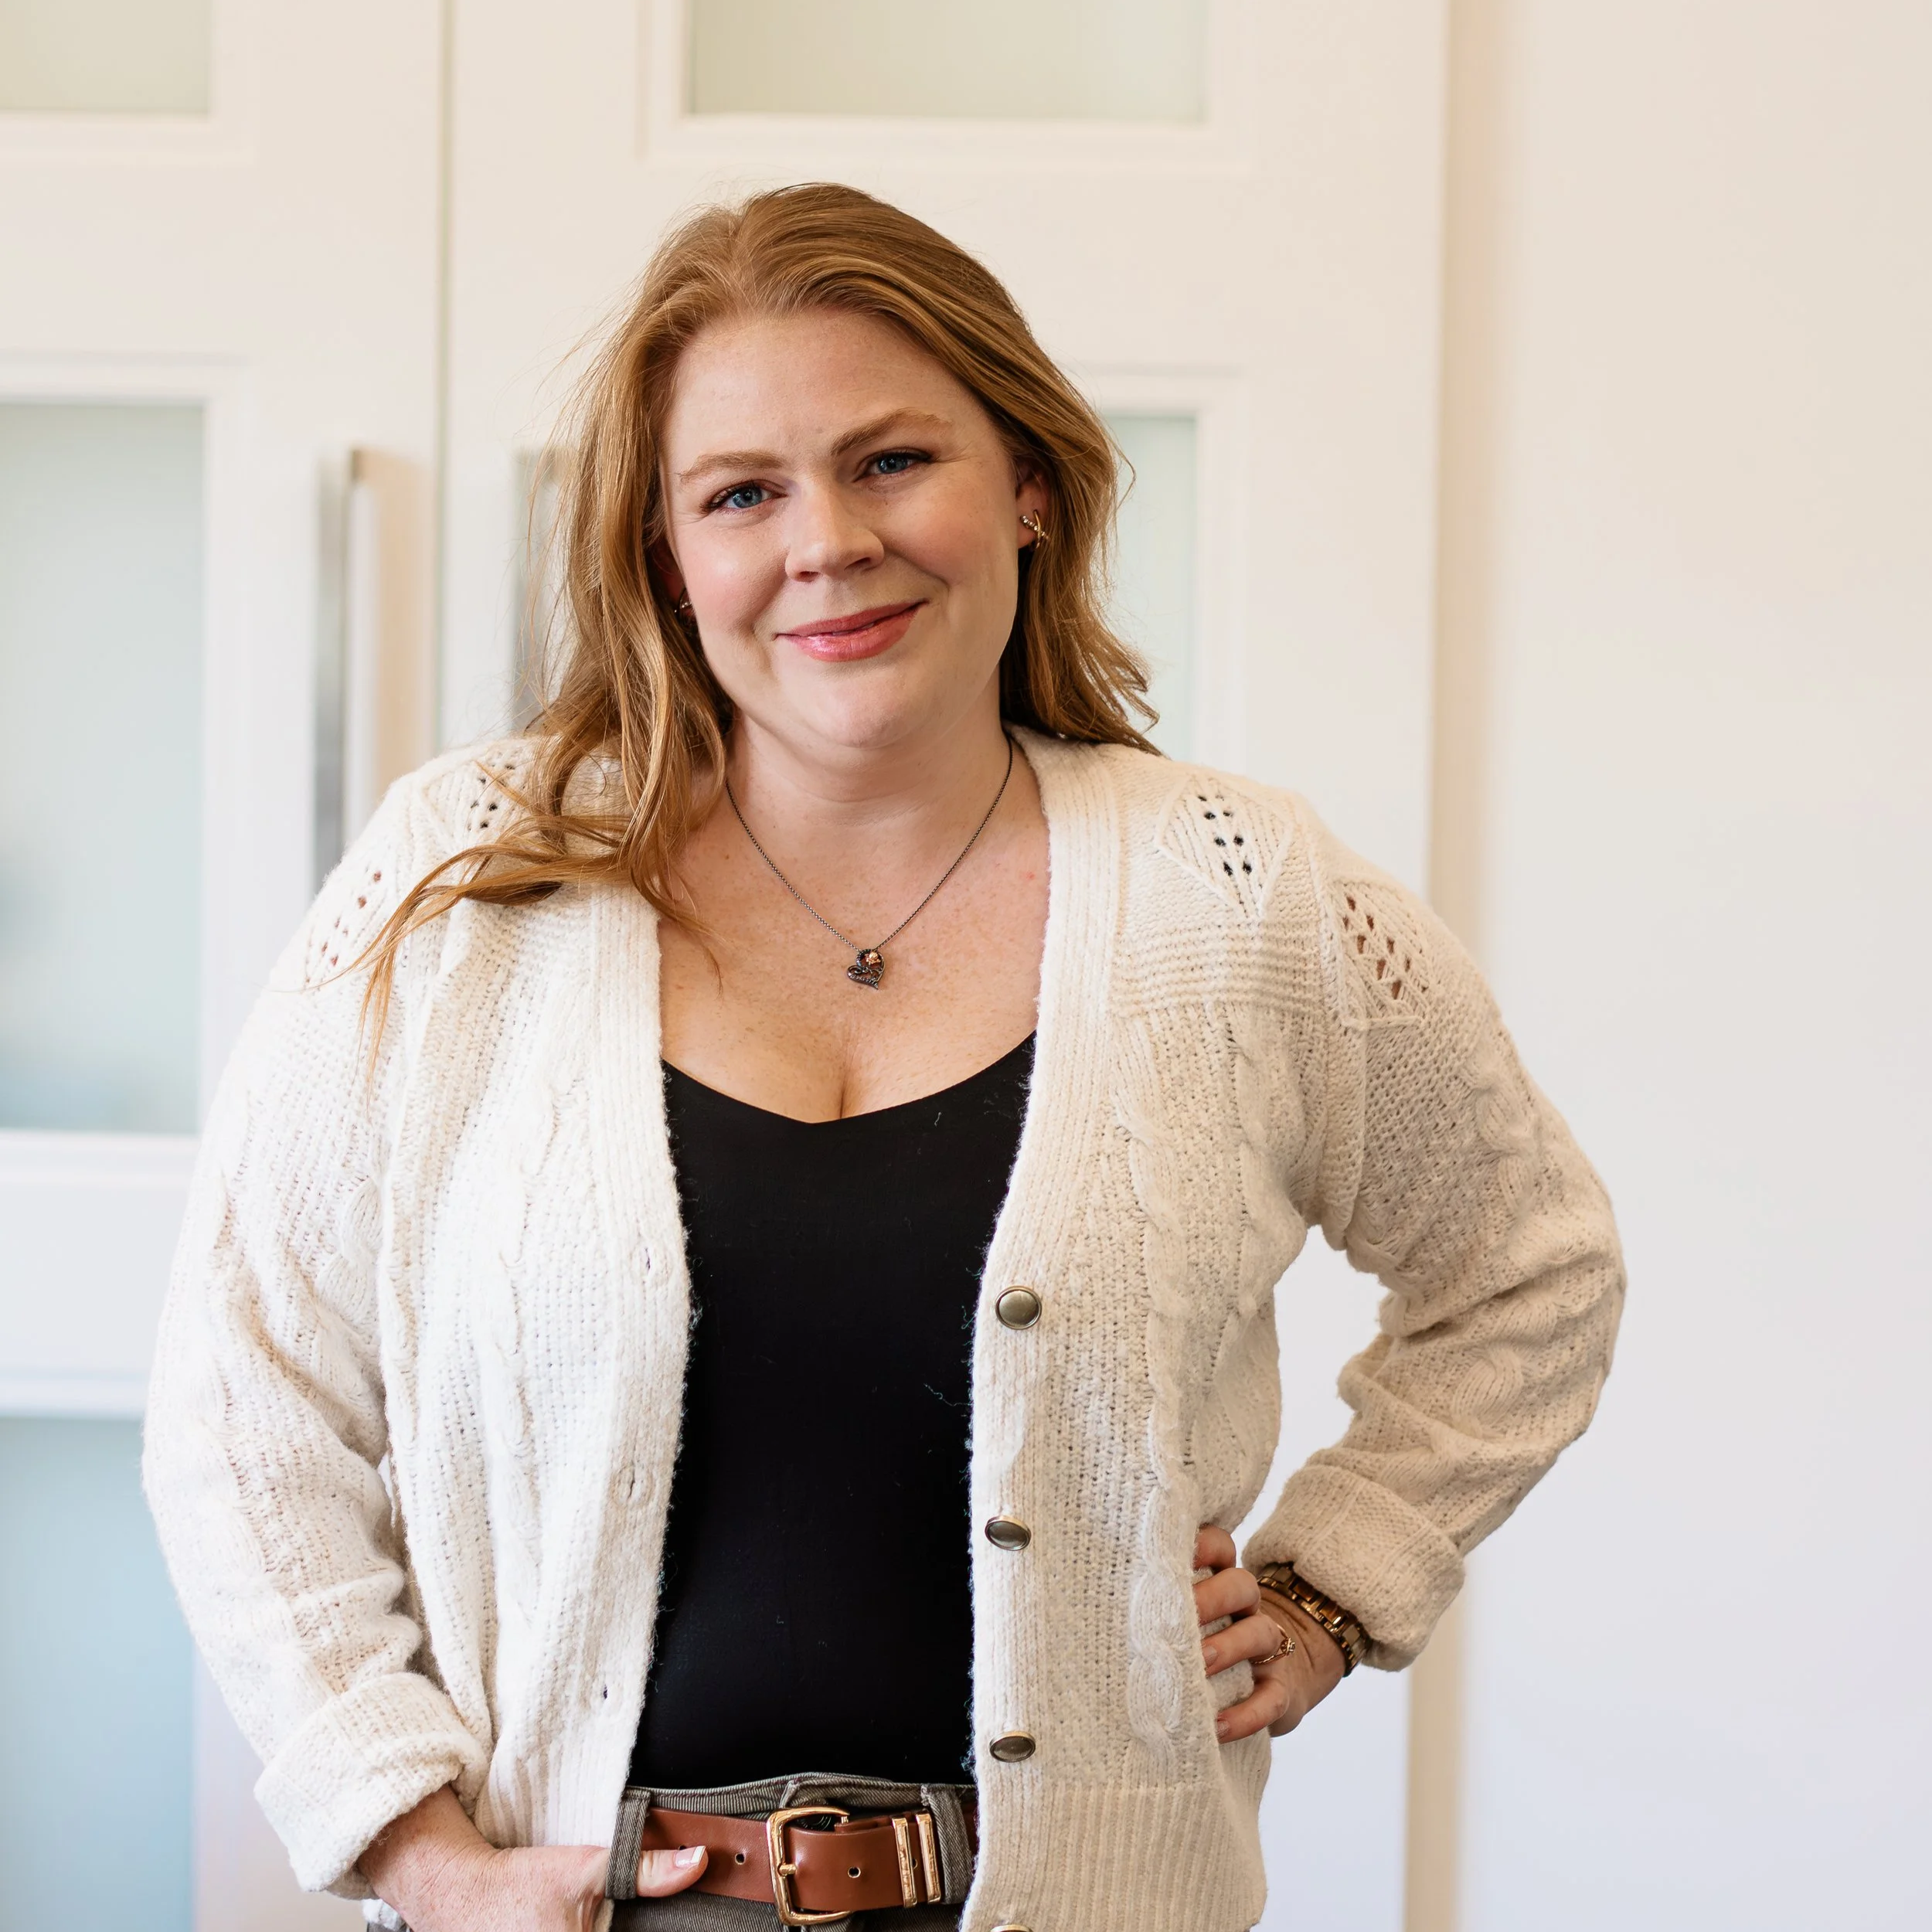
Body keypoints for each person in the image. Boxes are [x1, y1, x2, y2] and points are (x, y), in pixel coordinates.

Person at [145, 183, 1624, 1932]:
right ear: (664, 557)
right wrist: (409, 1840)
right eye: (741, 493)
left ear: (1026, 486)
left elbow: (1527, 1265)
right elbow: (243, 1394)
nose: (824, 541)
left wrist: (1334, 1582)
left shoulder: (1245, 898)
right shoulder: (468, 875)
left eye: (889, 460)